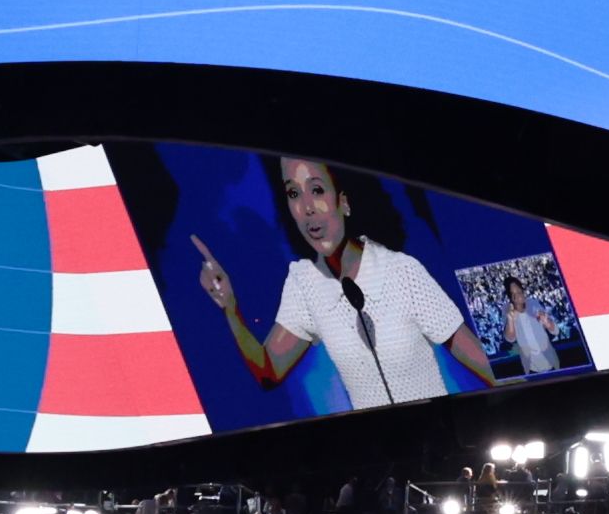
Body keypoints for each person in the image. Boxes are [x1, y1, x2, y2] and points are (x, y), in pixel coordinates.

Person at [187, 158, 500, 413]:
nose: (307, 207)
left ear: (344, 203)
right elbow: (268, 371)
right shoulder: (303, 282)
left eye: (317, 190)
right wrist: (230, 309)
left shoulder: (401, 270)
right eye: (294, 194)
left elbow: (483, 363)